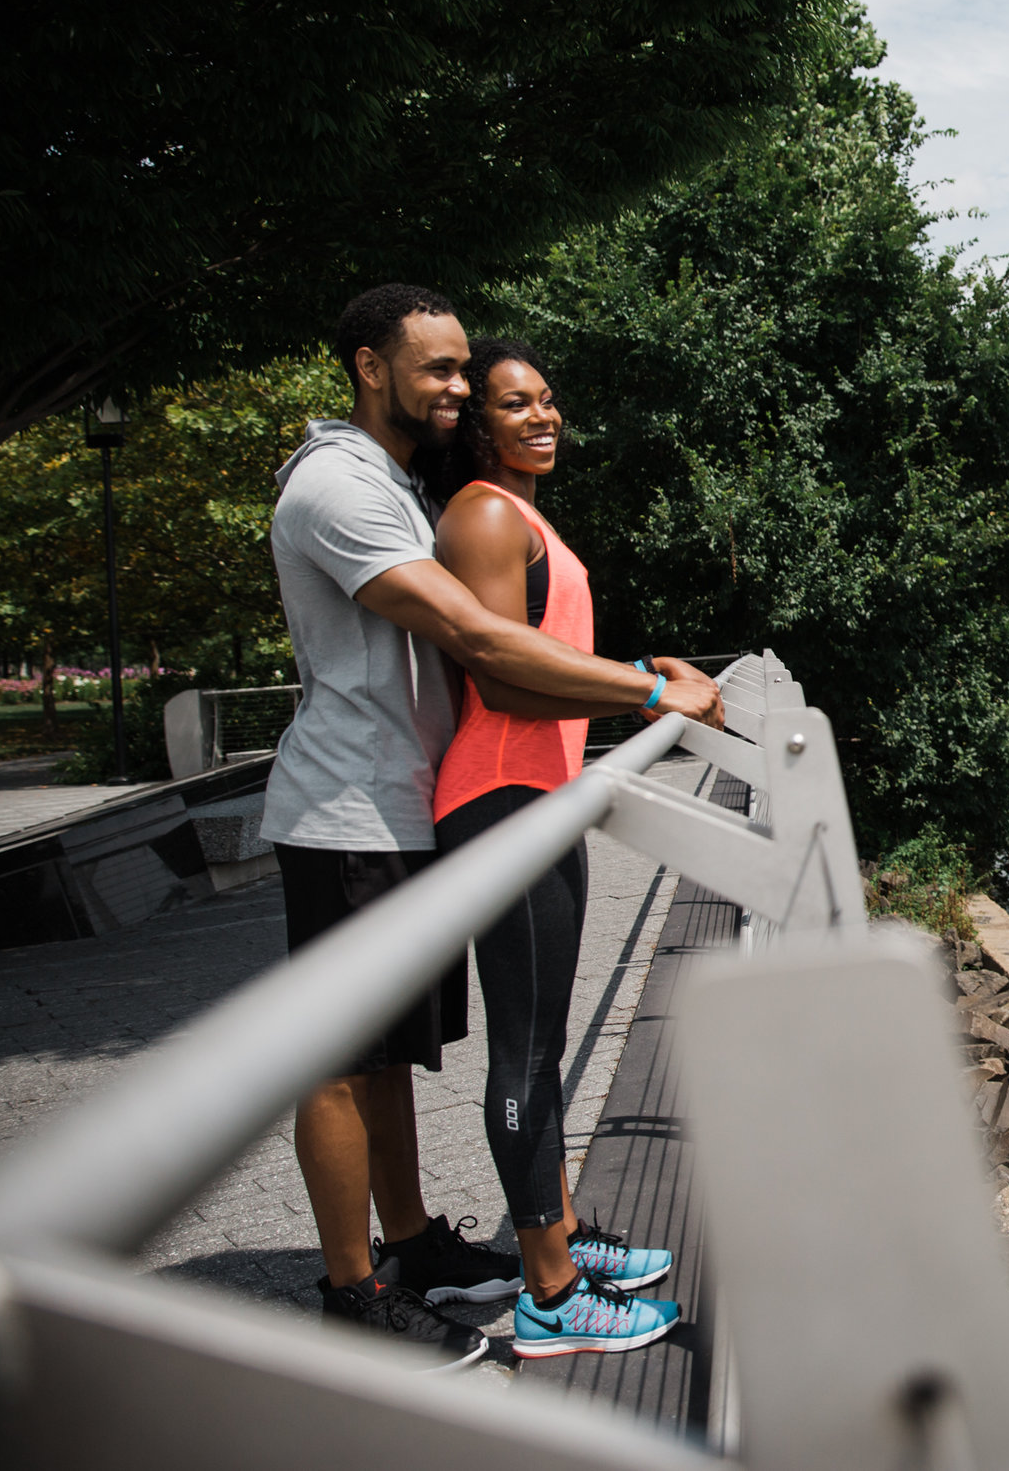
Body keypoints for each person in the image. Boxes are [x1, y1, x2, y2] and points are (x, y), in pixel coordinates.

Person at [265, 284, 723, 1367]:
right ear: (370, 364)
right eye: (445, 372)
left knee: (393, 1060)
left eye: (476, 372)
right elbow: (481, 641)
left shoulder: (399, 482)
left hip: (408, 798)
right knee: (344, 1057)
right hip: (350, 803)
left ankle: (422, 1246)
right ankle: (368, 1287)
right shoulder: (340, 482)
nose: (463, 390)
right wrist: (653, 691)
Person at [429, 336, 680, 1358]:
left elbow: (551, 665)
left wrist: (632, 675)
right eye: (514, 404)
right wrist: (649, 685)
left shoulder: (520, 510)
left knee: (544, 1034)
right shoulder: (485, 513)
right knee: (527, 1047)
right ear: (477, 424)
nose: (542, 417)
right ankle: (548, 1295)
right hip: (500, 794)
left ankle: (564, 1236)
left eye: (548, 401)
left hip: (540, 794)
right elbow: (504, 680)